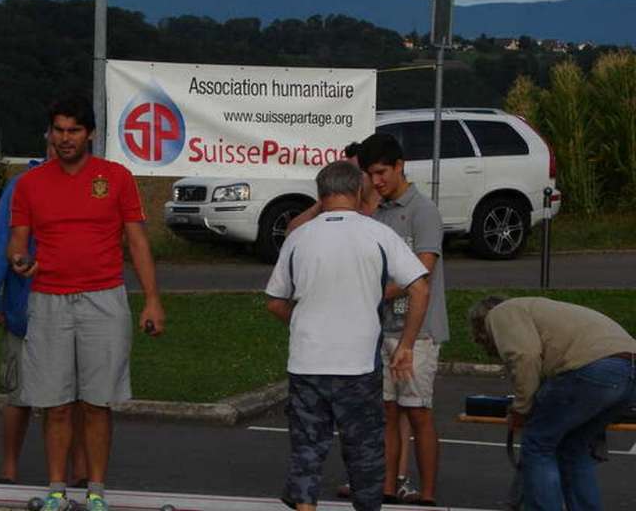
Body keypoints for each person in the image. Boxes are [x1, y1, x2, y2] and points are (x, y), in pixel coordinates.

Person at [8, 94, 165, 511]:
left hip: (104, 299)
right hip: (48, 301)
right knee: (55, 404)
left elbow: (136, 241)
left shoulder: (116, 177)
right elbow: (18, 240)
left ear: (90, 133)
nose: (65, 138)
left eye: (73, 130)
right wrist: (18, 259)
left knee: (97, 402)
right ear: (49, 133)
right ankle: (56, 489)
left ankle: (96, 490)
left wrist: (152, 300)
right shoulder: (29, 183)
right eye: (58, 130)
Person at [266, 160, 430, 511]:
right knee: (364, 454)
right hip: (357, 366)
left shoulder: (298, 237)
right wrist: (406, 345)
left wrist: (303, 320)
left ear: (320, 194)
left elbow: (275, 301)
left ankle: (306, 506)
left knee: (307, 449)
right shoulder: (378, 234)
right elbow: (419, 287)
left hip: (307, 362)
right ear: (358, 192)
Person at [0, 141, 87, 486]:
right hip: (27, 312)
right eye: (55, 140)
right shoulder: (21, 186)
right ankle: (8, 471)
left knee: (79, 397)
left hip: (78, 309)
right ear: (48, 142)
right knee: (20, 397)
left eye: (71, 136)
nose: (62, 147)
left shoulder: (93, 184)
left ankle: (79, 474)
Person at [469, 296, 636, 511]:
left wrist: (521, 409)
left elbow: (525, 357)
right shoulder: (540, 309)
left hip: (593, 369)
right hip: (629, 371)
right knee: (574, 449)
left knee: (538, 445)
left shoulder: (501, 313)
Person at [357, 132, 448, 506]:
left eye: (381, 172)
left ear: (399, 166)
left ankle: (426, 494)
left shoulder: (423, 210)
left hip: (419, 330)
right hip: (383, 328)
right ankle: (388, 486)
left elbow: (421, 272)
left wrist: (373, 292)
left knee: (418, 412)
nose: (376, 181)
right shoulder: (375, 212)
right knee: (388, 411)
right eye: (369, 174)